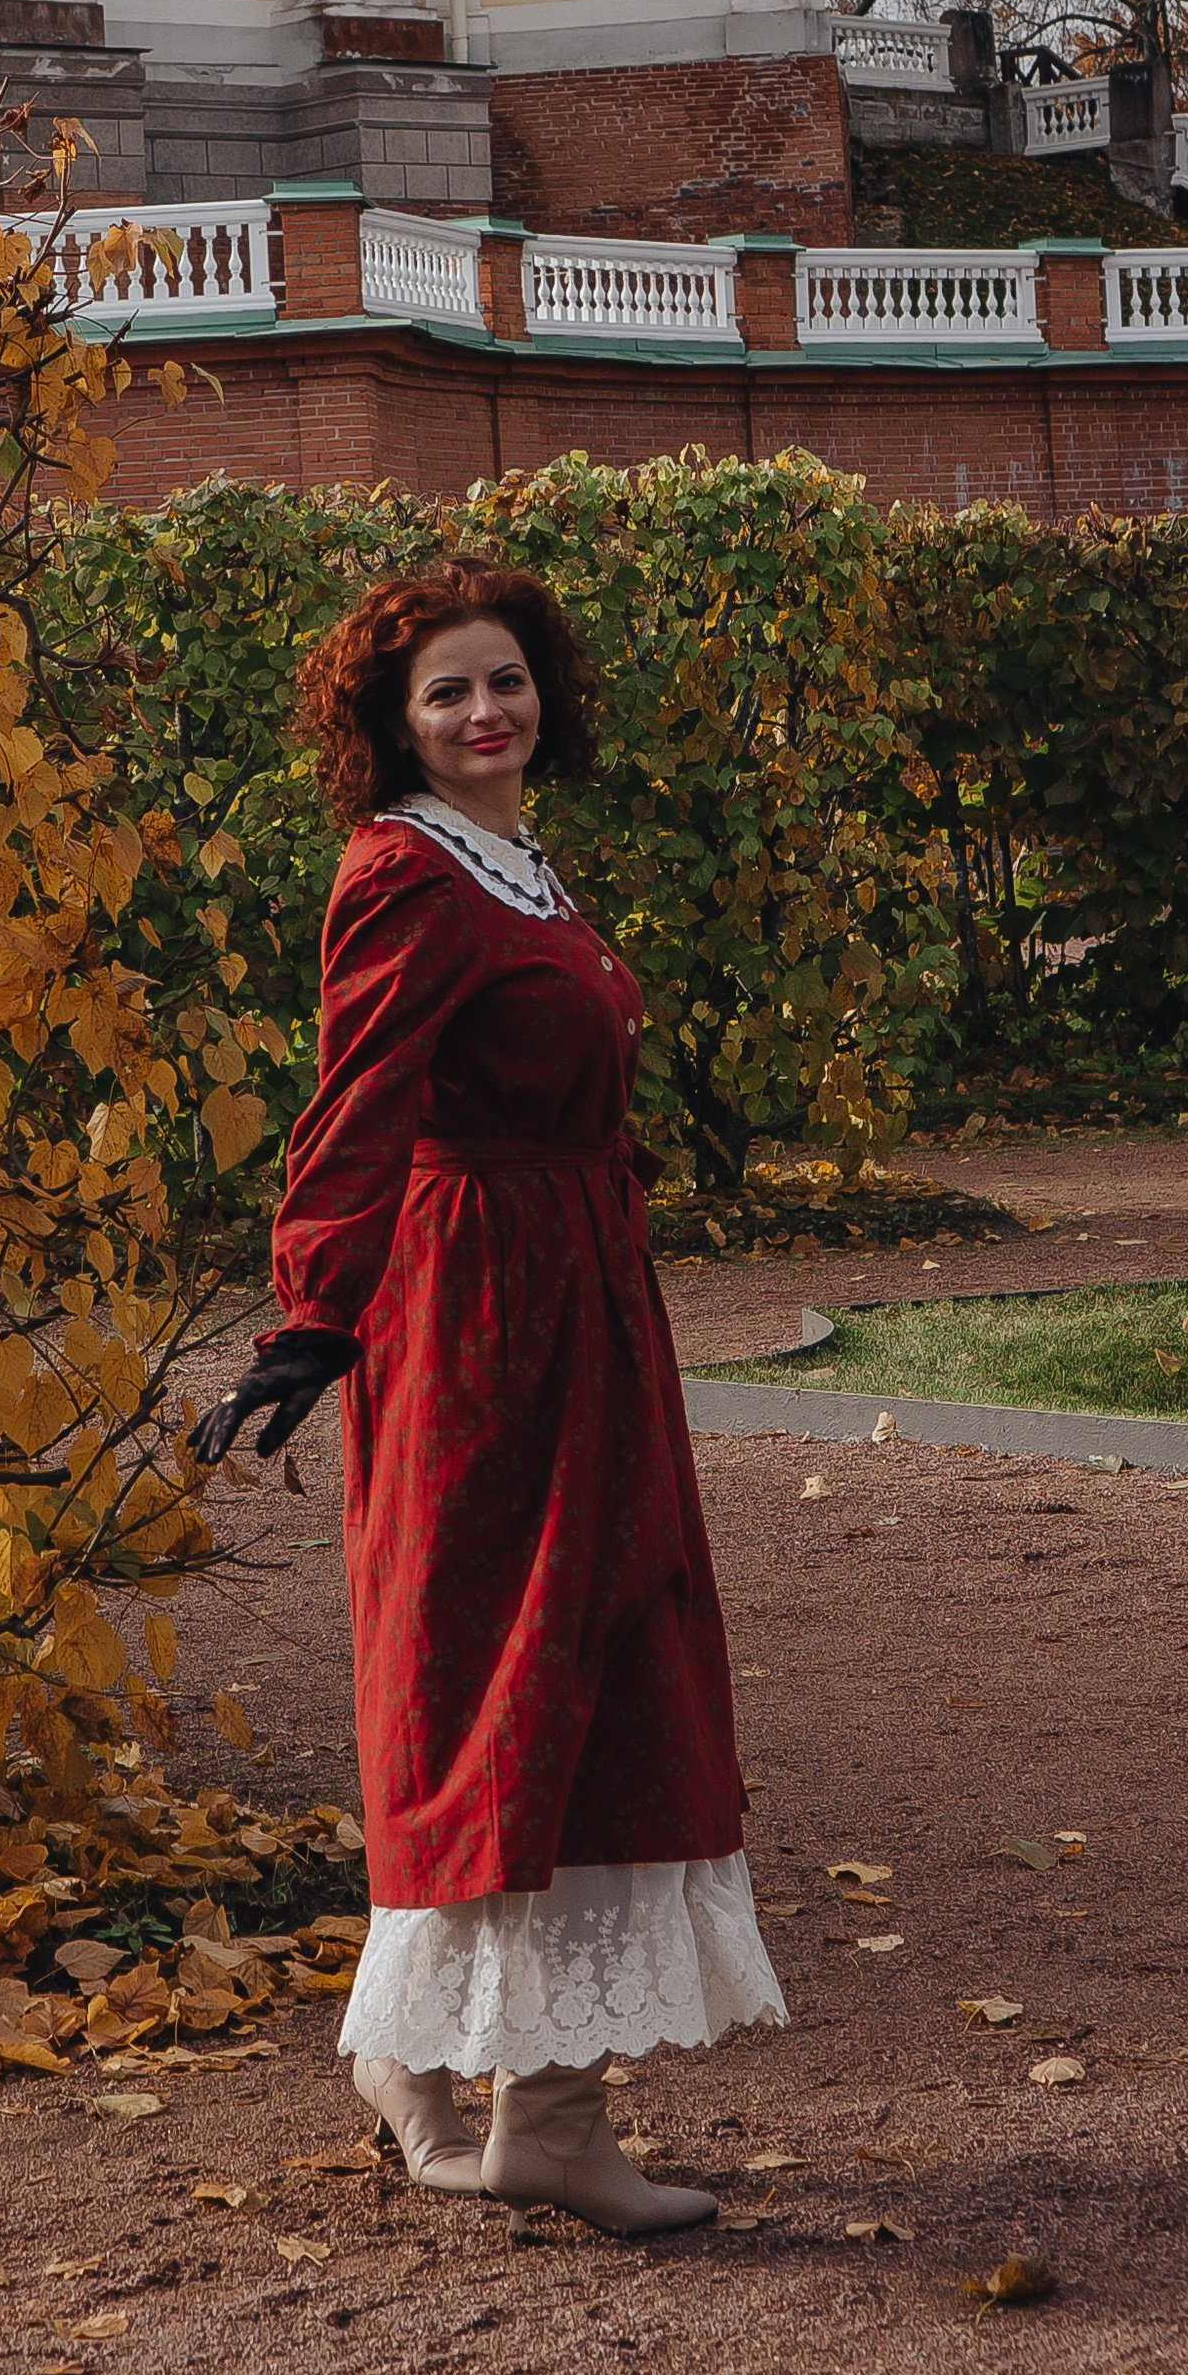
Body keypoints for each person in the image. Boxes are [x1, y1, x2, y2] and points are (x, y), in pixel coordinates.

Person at [191, 560, 782, 2236]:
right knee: (514, 1659)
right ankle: (523, 2110)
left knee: (601, 1644)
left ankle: (489, 2093)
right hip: (483, 1317)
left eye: (503, 682)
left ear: (545, 700)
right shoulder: (406, 872)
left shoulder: (517, 864)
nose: (482, 713)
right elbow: (358, 1093)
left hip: (575, 1291)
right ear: (395, 725)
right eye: (445, 693)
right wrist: (315, 1310)